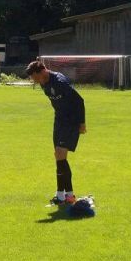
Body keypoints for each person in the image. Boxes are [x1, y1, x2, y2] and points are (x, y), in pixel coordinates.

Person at [25, 60, 86, 206]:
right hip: (59, 120)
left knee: (60, 154)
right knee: (58, 156)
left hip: (71, 121)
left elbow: (79, 101)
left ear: (42, 72)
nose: (34, 81)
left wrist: (82, 123)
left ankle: (65, 196)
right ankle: (65, 195)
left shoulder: (60, 82)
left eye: (35, 77)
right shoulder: (43, 82)